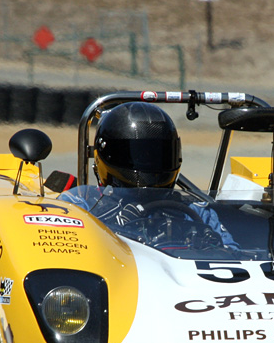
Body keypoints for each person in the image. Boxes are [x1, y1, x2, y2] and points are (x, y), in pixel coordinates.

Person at [59, 102, 237, 250]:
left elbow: (233, 252)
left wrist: (210, 243)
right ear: (104, 154)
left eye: (157, 154)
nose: (148, 162)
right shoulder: (80, 206)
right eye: (136, 155)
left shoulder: (196, 212)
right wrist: (109, 227)